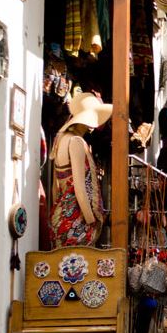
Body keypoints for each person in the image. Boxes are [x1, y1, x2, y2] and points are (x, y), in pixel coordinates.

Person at [50, 93, 112, 247]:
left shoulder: (59, 140)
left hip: (59, 215)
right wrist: (90, 219)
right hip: (76, 219)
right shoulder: (76, 142)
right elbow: (80, 188)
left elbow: (55, 186)